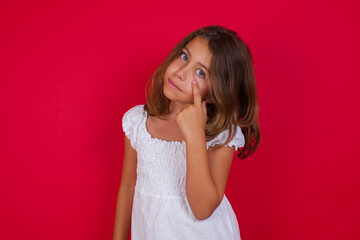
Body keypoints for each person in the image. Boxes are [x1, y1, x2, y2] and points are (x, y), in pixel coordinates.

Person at [113, 25, 261, 240]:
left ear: (216, 91)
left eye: (200, 73)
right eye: (184, 57)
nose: (181, 73)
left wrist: (195, 136)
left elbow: (202, 209)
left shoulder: (221, 135)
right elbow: (128, 186)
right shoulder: (138, 123)